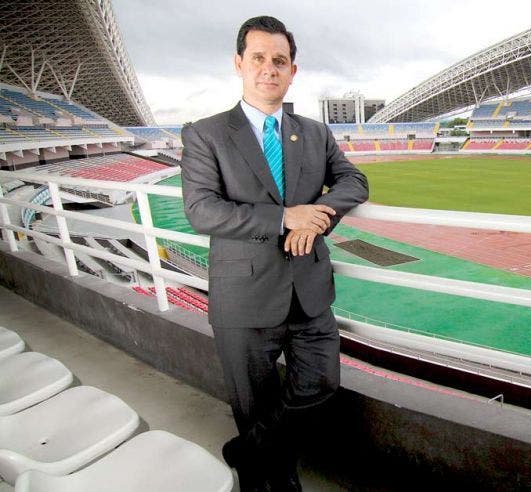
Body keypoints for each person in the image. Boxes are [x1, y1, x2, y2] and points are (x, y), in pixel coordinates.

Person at [180, 15, 368, 492]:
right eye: (259, 58)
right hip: (243, 298)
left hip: (309, 293)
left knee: (321, 384)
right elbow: (202, 211)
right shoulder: (205, 134)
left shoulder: (314, 131)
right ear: (239, 64)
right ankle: (272, 481)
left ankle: (244, 454)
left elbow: (354, 181)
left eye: (279, 61)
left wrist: (319, 213)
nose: (269, 69)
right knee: (255, 408)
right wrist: (286, 218)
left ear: (293, 71)